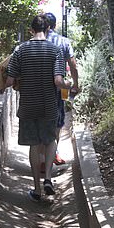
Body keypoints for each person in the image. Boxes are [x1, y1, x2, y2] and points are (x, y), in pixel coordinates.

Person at [6, 14, 68, 201]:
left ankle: (37, 189)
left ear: (31, 30)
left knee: (34, 144)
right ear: (48, 29)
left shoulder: (20, 50)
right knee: (50, 140)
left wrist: (2, 85)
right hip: (49, 104)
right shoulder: (55, 50)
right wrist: (69, 86)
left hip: (28, 104)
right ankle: (48, 178)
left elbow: (10, 80)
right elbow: (58, 81)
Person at [44, 12, 79, 166]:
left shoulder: (36, 41)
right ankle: (53, 152)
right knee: (57, 121)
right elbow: (72, 64)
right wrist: (75, 84)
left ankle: (44, 158)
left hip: (37, 88)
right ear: (54, 25)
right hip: (59, 87)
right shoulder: (63, 41)